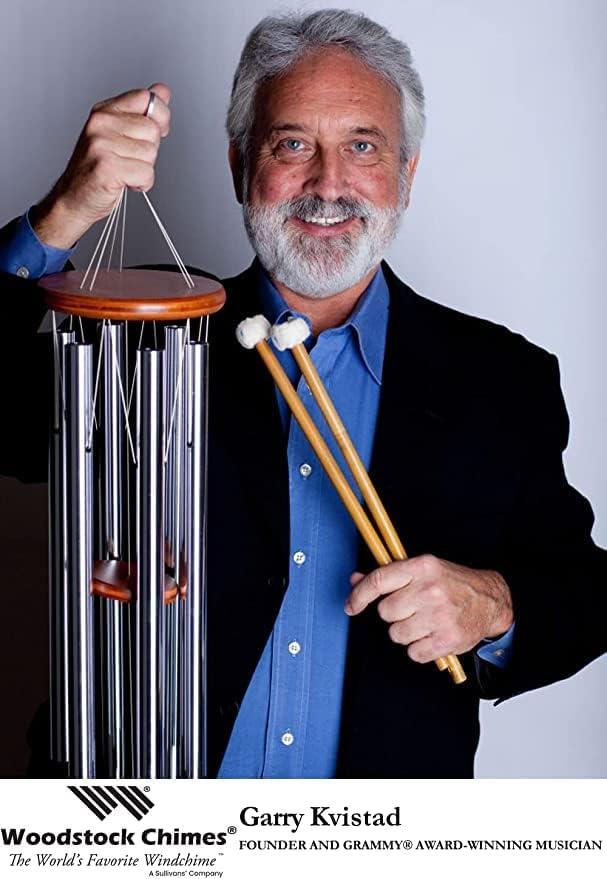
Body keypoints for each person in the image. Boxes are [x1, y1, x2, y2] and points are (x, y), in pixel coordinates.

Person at [0, 9, 605, 778]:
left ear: (406, 173)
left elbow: (583, 592)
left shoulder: (500, 379)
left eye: (362, 146)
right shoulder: (141, 337)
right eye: (292, 144)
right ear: (237, 165)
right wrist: (65, 213)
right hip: (143, 839)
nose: (327, 184)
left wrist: (495, 606)